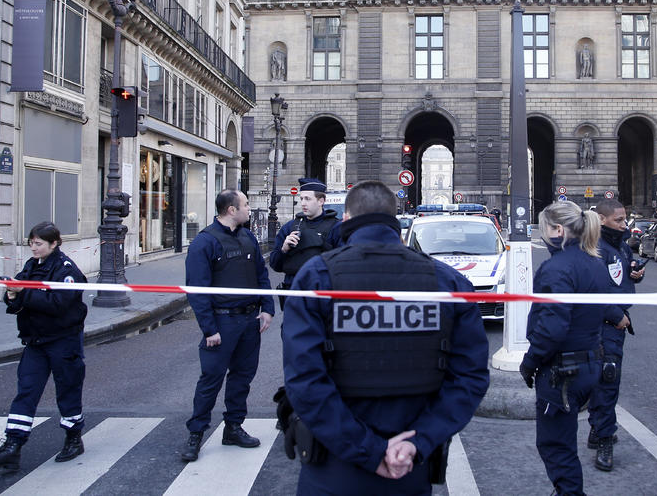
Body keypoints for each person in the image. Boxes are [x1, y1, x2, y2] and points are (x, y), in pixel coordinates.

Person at [281, 181, 489, 495]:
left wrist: (368, 450)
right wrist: (419, 441)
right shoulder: (448, 281)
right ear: (397, 220)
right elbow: (470, 376)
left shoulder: (316, 276)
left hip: (334, 468)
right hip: (409, 466)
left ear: (347, 218)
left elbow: (305, 380)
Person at [519, 200, 628, 496]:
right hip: (590, 362)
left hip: (561, 370)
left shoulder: (556, 268)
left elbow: (552, 327)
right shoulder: (594, 262)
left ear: (557, 229)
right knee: (562, 441)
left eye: (544, 228)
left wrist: (530, 361)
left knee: (555, 444)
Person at [0, 222, 88, 470]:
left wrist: (22, 293)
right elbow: (20, 297)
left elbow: (59, 303)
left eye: (38, 243)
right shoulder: (31, 266)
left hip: (63, 341)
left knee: (68, 390)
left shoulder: (66, 270)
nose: (33, 248)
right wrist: (11, 295)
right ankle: (13, 445)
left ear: (54, 243)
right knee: (26, 391)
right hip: (35, 341)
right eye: (31, 243)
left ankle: (73, 438)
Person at [181, 189, 275, 462]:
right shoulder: (205, 242)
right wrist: (209, 329)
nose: (249, 209)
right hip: (222, 321)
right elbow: (197, 290)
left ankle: (233, 427)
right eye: (245, 204)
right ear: (231, 210)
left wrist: (267, 308)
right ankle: (196, 434)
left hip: (249, 321)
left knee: (242, 377)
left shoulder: (248, 237)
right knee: (211, 379)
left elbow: (261, 275)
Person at [588, 199, 645, 472]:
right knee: (607, 380)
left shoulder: (618, 244)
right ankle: (604, 439)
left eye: (625, 220)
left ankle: (597, 428)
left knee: (604, 380)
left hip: (615, 324)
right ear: (601, 219)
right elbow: (592, 291)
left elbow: (622, 272)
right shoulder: (594, 249)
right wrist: (616, 315)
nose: (624, 225)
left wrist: (635, 274)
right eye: (619, 220)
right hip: (604, 324)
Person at [269, 178, 340, 310]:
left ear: (321, 201)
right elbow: (275, 264)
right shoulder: (290, 227)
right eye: (301, 199)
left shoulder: (336, 228)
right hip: (294, 295)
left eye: (307, 199)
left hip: (322, 295)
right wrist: (283, 249)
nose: (303, 203)